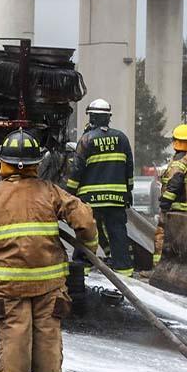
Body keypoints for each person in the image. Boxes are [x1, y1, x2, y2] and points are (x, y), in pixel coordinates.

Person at [0, 129, 97, 372]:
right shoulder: (50, 192)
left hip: (8, 288)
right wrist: (89, 247)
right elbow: (83, 220)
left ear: (2, 161)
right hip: (49, 287)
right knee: (48, 344)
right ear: (36, 164)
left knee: (14, 344)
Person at [65, 99, 135, 277]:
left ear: (93, 117)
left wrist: (69, 194)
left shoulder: (87, 139)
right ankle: (124, 271)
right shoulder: (122, 138)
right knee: (118, 233)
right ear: (108, 118)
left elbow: (77, 171)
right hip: (117, 198)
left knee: (87, 231)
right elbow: (129, 168)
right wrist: (128, 191)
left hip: (91, 199)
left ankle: (83, 269)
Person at [154, 124, 187, 266]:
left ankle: (158, 269)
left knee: (162, 236)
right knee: (183, 241)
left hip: (176, 208)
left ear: (177, 141)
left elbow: (174, 183)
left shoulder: (180, 160)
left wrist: (164, 204)